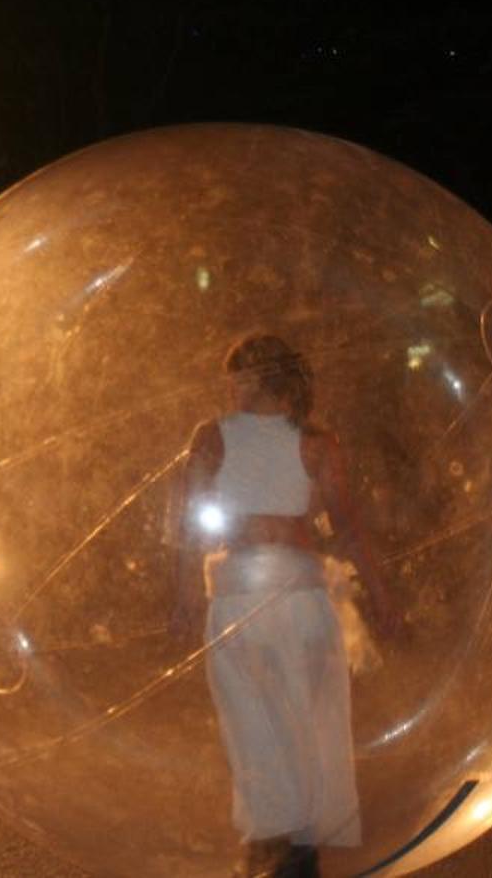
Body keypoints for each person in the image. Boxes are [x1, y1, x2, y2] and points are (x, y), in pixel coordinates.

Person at [172, 334, 400, 878]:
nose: (229, 388)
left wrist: (179, 597)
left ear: (253, 378)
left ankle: (270, 852)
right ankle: (295, 857)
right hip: (299, 598)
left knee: (252, 727)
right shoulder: (317, 442)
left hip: (238, 597)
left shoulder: (212, 436)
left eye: (234, 376)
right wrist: (385, 599)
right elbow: (347, 527)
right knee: (305, 726)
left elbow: (185, 525)